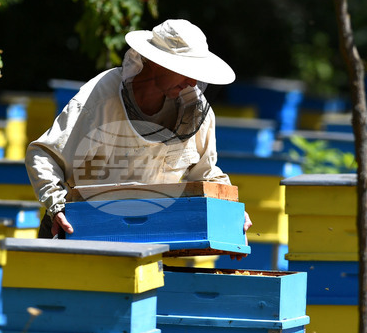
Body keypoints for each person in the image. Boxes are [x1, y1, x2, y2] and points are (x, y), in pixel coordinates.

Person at [26, 19, 252, 255]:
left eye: (196, 73)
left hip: (147, 240)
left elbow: (205, 175)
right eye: (185, 70)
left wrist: (230, 214)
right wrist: (58, 206)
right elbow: (44, 154)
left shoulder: (196, 111)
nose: (192, 82)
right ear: (154, 62)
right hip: (77, 231)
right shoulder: (101, 95)